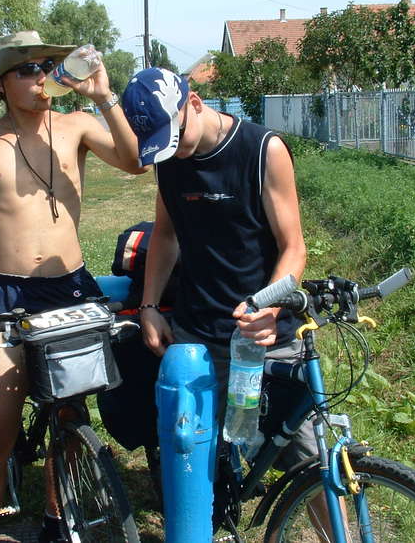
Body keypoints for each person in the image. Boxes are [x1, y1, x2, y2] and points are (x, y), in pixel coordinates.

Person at [0, 31, 146, 542]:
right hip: (9, 296)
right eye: (26, 70)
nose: (40, 77)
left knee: (71, 412)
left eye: (44, 67)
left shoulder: (77, 125)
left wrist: (104, 97)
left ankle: (60, 521)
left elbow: (134, 162)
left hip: (72, 288)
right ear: (1, 83)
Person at [121, 67, 314, 474]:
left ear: (194, 103)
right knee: (192, 451)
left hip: (266, 335)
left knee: (306, 461)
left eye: (176, 139)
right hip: (198, 335)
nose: (173, 153)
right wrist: (149, 305)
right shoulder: (168, 158)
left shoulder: (263, 149)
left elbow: (293, 247)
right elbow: (166, 235)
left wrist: (272, 309)